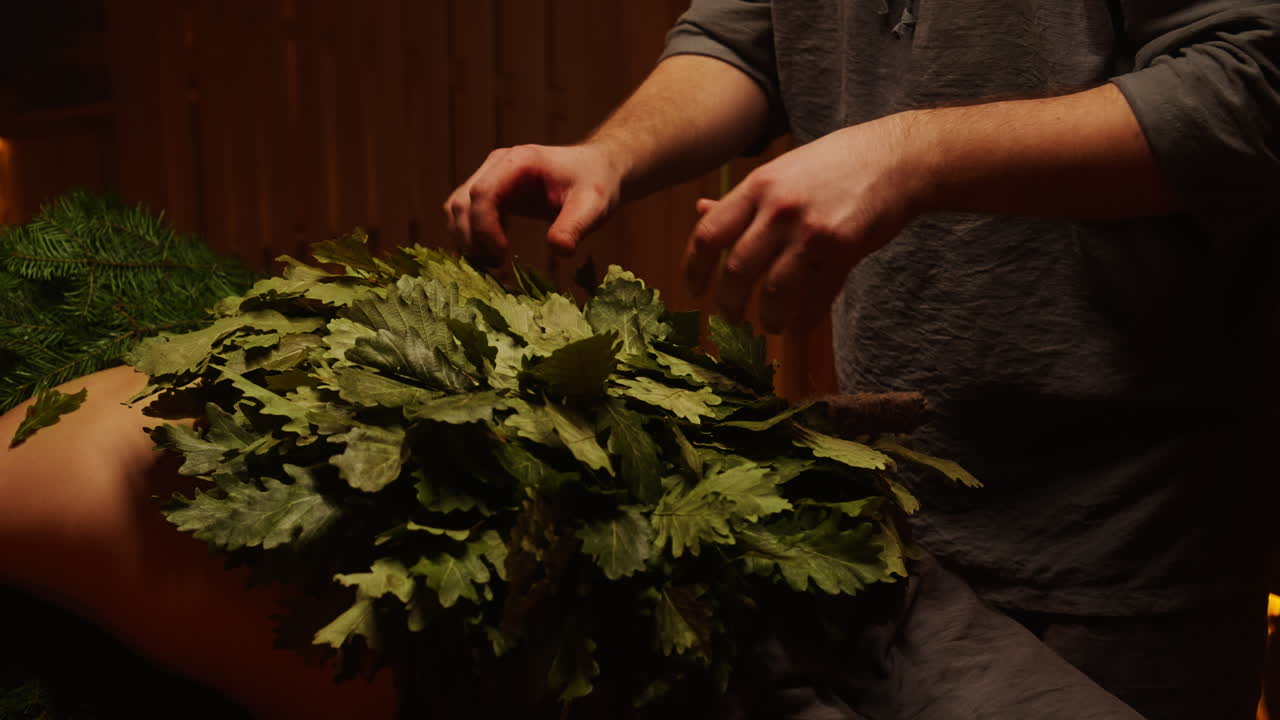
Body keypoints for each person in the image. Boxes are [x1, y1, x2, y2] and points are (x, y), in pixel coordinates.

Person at [445, 1, 1280, 718]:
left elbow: (1251, 84)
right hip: (871, 528)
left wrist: (909, 155)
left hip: (1122, 551)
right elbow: (743, 38)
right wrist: (613, 153)